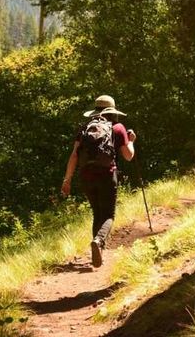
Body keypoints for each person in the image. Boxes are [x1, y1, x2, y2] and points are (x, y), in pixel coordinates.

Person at [61, 95, 136, 268]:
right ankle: (99, 241)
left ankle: (98, 248)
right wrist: (131, 141)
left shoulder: (84, 129)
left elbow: (74, 155)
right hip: (107, 175)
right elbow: (128, 156)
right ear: (112, 111)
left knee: (97, 213)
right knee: (108, 215)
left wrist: (67, 180)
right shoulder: (118, 128)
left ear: (95, 111)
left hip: (86, 176)